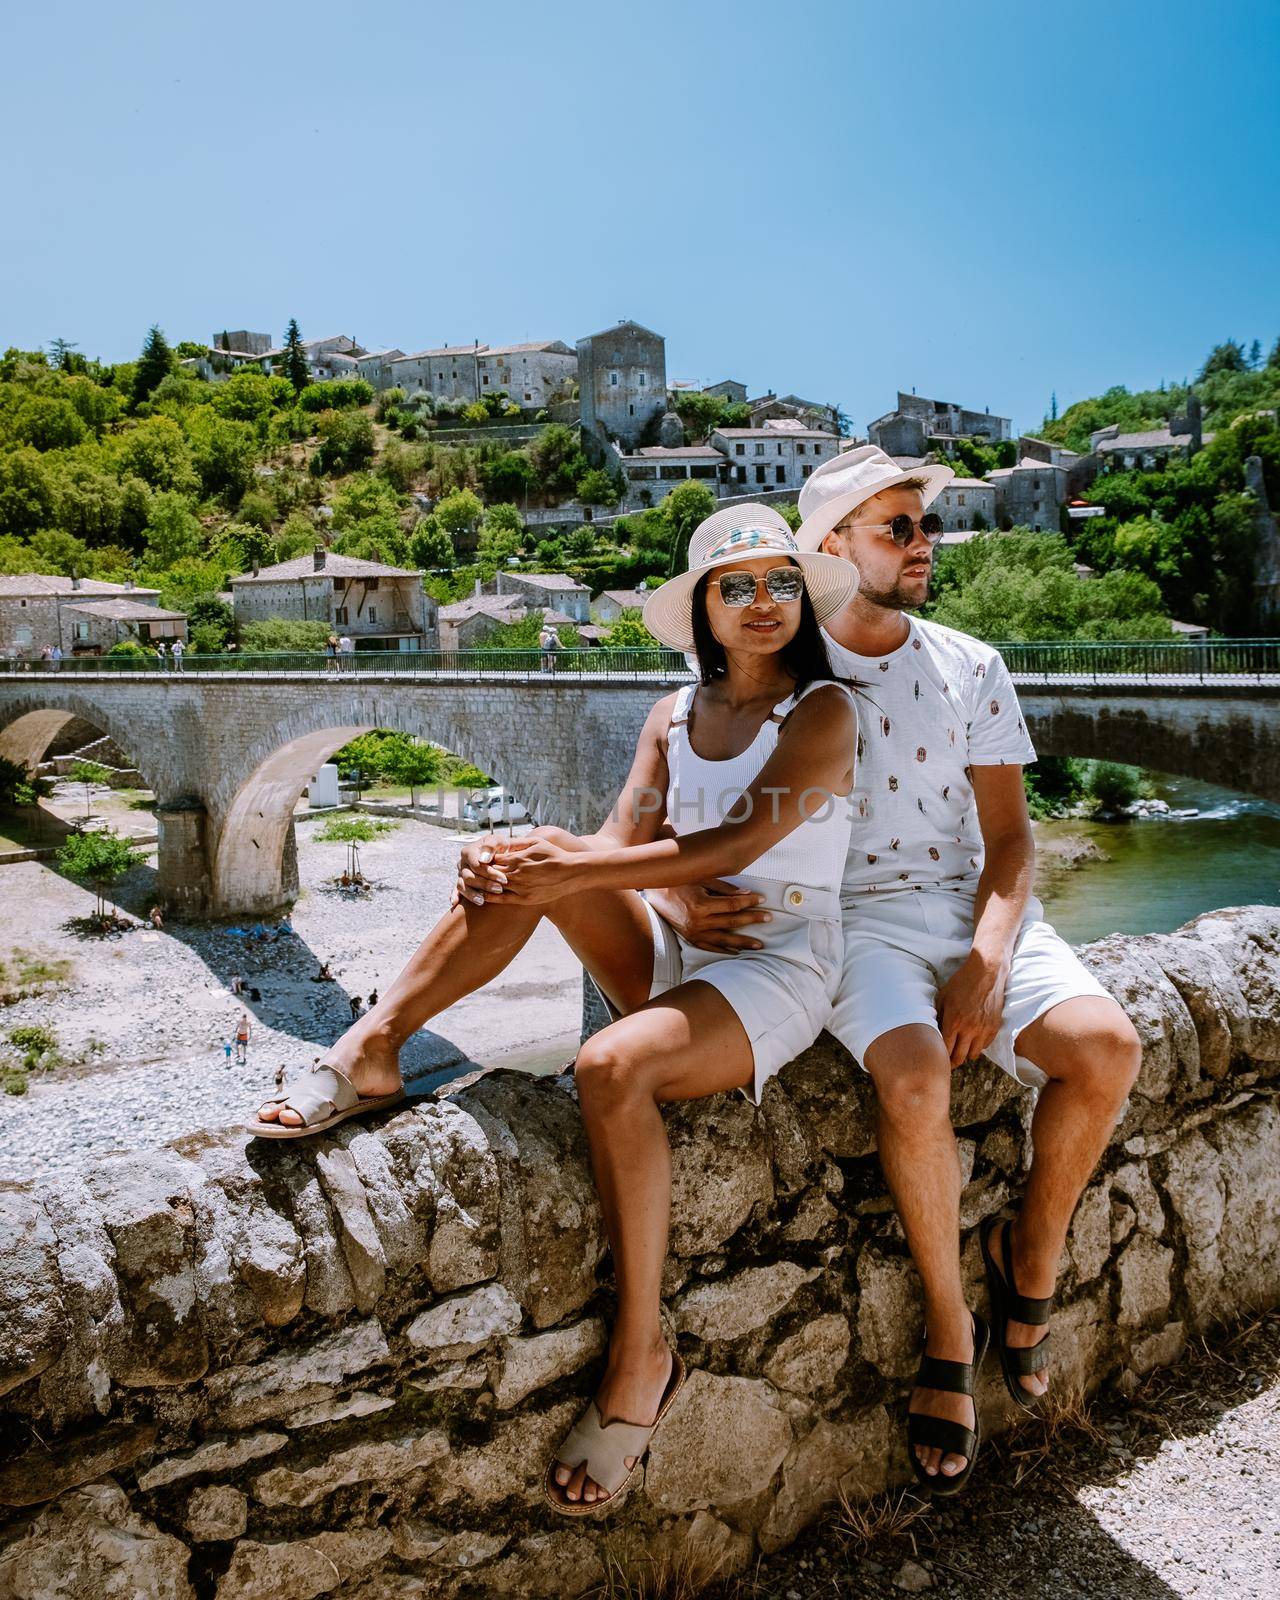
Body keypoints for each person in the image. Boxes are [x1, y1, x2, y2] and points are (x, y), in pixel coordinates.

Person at [248, 504, 862, 1513]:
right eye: (737, 585)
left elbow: (736, 843)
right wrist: (539, 860)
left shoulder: (824, 713)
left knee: (608, 1063)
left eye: (782, 582)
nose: (764, 603)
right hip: (677, 943)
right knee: (520, 865)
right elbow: (625, 839)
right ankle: (373, 1045)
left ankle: (640, 1353)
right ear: (704, 607)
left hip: (773, 965)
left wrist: (570, 860)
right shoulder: (673, 714)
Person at [648, 447, 1142, 1493]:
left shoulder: (970, 663)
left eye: (925, 525)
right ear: (832, 549)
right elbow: (678, 806)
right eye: (898, 528)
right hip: (847, 925)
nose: (925, 545)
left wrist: (985, 957)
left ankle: (1030, 1254)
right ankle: (950, 1327)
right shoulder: (772, 662)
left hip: (970, 911)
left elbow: (1010, 842)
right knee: (914, 1077)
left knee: (1105, 1048)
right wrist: (675, 893)